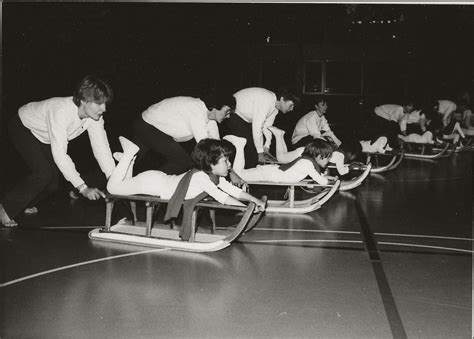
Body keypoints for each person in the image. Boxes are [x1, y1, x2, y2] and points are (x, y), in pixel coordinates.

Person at [0, 75, 115, 227]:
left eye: (105, 104)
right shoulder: (61, 111)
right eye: (98, 103)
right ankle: (5, 208)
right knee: (43, 174)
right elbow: (60, 154)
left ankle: (25, 203)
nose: (104, 109)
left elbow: (102, 148)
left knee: (53, 183)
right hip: (23, 126)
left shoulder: (95, 118)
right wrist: (83, 188)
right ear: (83, 100)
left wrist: (113, 178)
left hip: (45, 136)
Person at [107, 137, 266, 217]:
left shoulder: (211, 175)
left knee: (123, 186)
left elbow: (232, 190)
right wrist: (246, 209)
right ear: (211, 163)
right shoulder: (201, 178)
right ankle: (129, 153)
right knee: (112, 188)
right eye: (226, 161)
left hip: (157, 180)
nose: (230, 165)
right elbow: (222, 197)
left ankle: (128, 160)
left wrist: (254, 200)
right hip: (151, 183)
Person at [132, 94, 235, 175]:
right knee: (183, 161)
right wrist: (227, 172)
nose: (229, 116)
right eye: (227, 111)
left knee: (129, 160)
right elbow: (206, 150)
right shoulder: (196, 112)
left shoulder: (210, 119)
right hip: (147, 125)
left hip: (151, 124)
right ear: (216, 106)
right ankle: (153, 187)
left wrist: (230, 170)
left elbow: (219, 149)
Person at [222, 87, 299, 169]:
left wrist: (266, 147)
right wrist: (260, 152)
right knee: (249, 148)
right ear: (282, 99)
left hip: (245, 119)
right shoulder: (267, 101)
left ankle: (249, 171)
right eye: (291, 105)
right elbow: (257, 127)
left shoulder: (275, 109)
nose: (292, 109)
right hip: (233, 113)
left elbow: (267, 127)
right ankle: (244, 174)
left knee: (256, 147)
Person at [271, 126, 387, 175]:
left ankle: (280, 136)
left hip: (306, 150)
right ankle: (278, 136)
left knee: (283, 157)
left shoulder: (336, 149)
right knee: (281, 159)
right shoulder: (340, 156)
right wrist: (350, 167)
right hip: (305, 152)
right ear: (351, 154)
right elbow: (341, 171)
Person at [223, 135, 332, 185]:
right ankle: (239, 145)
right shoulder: (307, 164)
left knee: (241, 174)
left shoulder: (307, 161)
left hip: (271, 172)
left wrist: (330, 178)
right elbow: (321, 181)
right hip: (269, 174)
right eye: (327, 157)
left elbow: (319, 176)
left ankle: (239, 145)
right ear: (318, 156)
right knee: (239, 175)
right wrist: (333, 182)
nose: (329, 160)